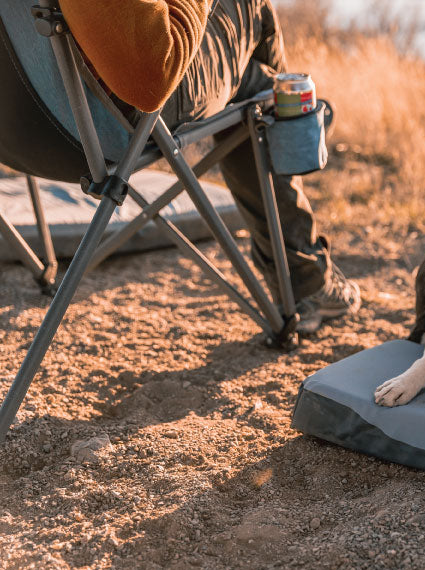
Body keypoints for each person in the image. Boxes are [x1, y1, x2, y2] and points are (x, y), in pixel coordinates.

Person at [57, 0, 361, 333]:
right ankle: (303, 276)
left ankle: (302, 268)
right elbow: (152, 72)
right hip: (110, 109)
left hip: (37, 119)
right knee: (256, 45)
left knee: (257, 79)